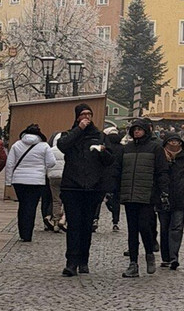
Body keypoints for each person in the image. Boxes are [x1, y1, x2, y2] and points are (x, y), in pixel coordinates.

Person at [56, 103, 114, 276]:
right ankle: (71, 262)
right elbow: (62, 145)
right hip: (72, 186)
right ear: (77, 117)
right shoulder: (69, 134)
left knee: (86, 225)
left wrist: (103, 152)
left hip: (93, 187)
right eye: (83, 114)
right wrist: (79, 130)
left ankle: (84, 260)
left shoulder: (100, 136)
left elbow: (110, 160)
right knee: (73, 225)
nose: (87, 117)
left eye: (89, 114)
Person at [116, 118, 169, 278]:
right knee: (132, 230)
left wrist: (163, 191)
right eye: (134, 129)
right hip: (129, 195)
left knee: (145, 227)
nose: (137, 131)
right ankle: (133, 263)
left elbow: (162, 171)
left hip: (147, 195)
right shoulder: (126, 149)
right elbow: (119, 169)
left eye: (139, 129)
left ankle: (149, 253)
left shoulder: (155, 148)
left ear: (146, 130)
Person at [5, 123, 57, 242]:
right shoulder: (44, 146)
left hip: (19, 180)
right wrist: (41, 166)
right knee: (31, 207)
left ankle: (22, 232)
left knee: (22, 205)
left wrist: (8, 181)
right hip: (36, 180)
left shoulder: (17, 145)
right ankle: (28, 234)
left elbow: (10, 164)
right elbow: (52, 162)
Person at [157, 133, 184, 270]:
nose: (174, 144)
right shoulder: (160, 158)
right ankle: (165, 257)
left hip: (181, 197)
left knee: (176, 229)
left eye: (177, 141)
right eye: (171, 141)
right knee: (164, 228)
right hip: (163, 198)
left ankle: (174, 257)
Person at [99, 126, 123, 232]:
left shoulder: (105, 148)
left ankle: (95, 219)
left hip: (103, 175)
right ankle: (115, 221)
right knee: (116, 200)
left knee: (98, 200)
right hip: (117, 176)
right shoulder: (123, 148)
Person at [47, 130, 66, 232]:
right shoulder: (67, 149)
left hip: (53, 177)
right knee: (67, 200)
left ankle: (55, 222)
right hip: (65, 177)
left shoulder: (50, 150)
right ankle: (63, 220)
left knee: (56, 200)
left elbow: (48, 163)